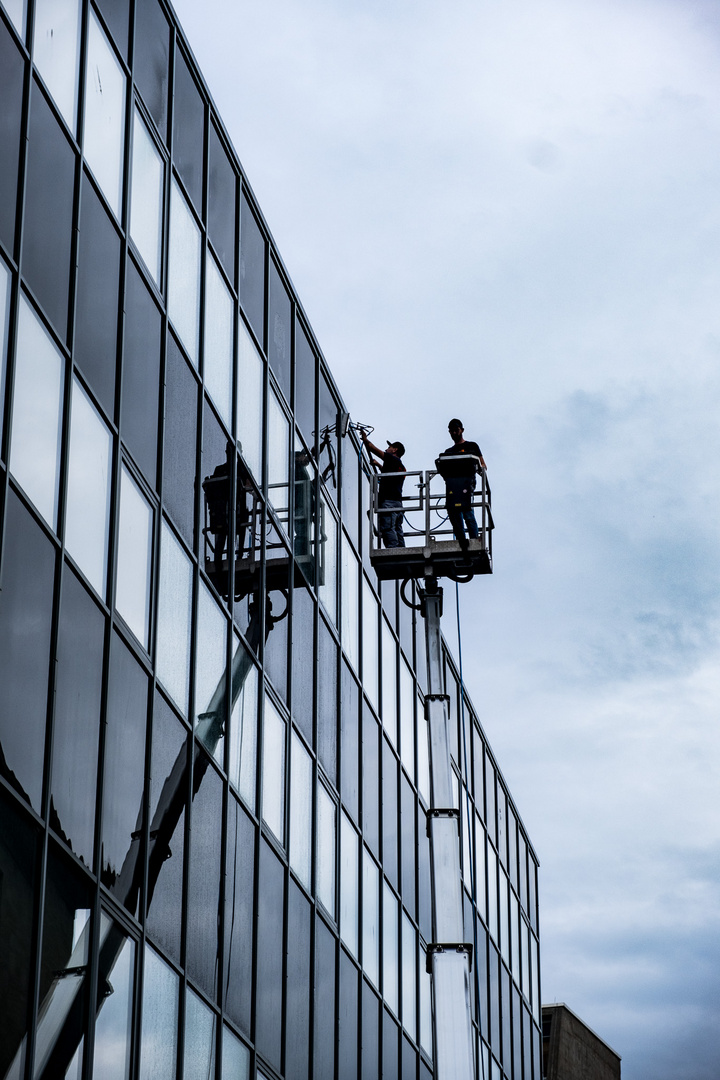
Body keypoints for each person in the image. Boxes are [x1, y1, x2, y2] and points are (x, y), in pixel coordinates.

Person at [439, 418, 487, 548]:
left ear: (462, 430)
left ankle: (474, 539)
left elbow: (482, 465)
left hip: (467, 483)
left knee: (467, 511)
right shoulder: (449, 452)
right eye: (451, 431)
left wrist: (479, 469)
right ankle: (462, 539)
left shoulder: (471, 446)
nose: (454, 433)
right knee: (453, 511)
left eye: (456, 430)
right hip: (453, 485)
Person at [361, 430, 407, 548]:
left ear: (395, 450)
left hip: (389, 502)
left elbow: (373, 449)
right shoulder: (400, 466)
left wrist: (365, 440)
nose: (387, 449)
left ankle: (394, 552)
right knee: (397, 529)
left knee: (388, 528)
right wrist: (378, 465)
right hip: (398, 503)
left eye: (389, 447)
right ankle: (401, 551)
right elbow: (389, 476)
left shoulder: (391, 459)